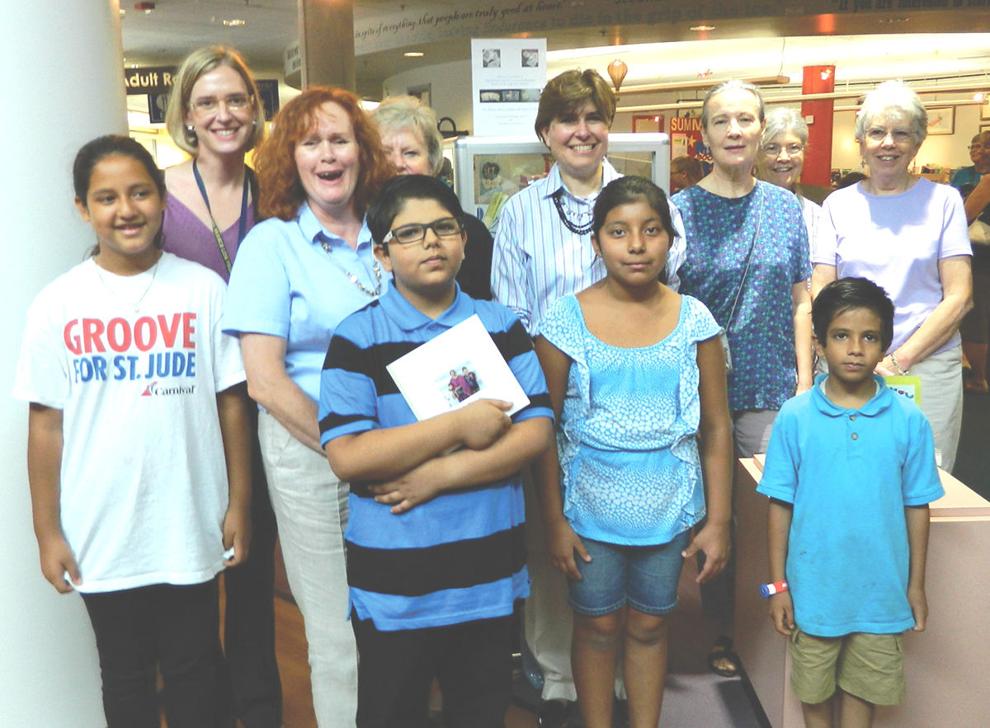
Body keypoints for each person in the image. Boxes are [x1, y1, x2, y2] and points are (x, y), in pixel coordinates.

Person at [14, 135, 251, 726]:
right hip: (101, 529)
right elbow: (45, 423)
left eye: (140, 192)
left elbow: (232, 405)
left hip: (189, 521)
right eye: (106, 197)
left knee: (197, 668)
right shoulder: (57, 304)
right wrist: (47, 531)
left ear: (162, 198)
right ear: (82, 208)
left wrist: (240, 502)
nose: (126, 209)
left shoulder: (203, 290)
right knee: (125, 677)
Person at [319, 174, 554, 727]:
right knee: (390, 713)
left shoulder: (499, 326)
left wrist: (436, 478)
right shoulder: (357, 338)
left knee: (480, 712)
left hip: (487, 576)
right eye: (411, 233)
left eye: (444, 228)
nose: (432, 242)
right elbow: (348, 455)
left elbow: (535, 431)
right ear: (381, 253)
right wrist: (460, 424)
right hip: (395, 583)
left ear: (465, 241)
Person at [491, 68, 685, 723]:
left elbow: (669, 294)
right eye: (567, 119)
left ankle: (627, 677)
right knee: (559, 545)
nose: (582, 131)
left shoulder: (647, 199)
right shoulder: (518, 210)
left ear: (609, 127)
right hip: (551, 399)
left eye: (593, 117)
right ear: (545, 133)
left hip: (636, 404)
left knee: (637, 552)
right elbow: (508, 313)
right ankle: (556, 675)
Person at [534, 176, 733, 728]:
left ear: (670, 239)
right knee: (596, 627)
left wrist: (718, 520)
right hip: (588, 508)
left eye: (651, 231)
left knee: (650, 625)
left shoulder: (695, 320)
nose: (637, 245)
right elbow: (540, 430)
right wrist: (553, 520)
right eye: (619, 232)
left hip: (668, 507)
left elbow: (716, 428)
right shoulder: (562, 321)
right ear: (596, 243)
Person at [222, 86, 392, 727]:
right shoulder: (272, 245)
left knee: (396, 617)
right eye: (311, 142)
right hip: (309, 452)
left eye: (340, 139)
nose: (328, 154)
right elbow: (264, 381)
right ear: (289, 158)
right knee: (335, 631)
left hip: (400, 451)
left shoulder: (391, 233)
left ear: (361, 152)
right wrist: (348, 449)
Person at [673, 79, 813, 678]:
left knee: (778, 513)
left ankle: (772, 618)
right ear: (703, 136)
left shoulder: (788, 208)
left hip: (773, 388)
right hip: (702, 396)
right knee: (713, 517)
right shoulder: (676, 212)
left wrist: (807, 385)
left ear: (761, 130)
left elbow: (803, 298)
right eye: (721, 121)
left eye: (746, 120)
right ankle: (721, 631)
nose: (735, 131)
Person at [757, 277, 943, 728]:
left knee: (864, 693)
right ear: (819, 343)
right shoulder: (795, 417)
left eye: (869, 337)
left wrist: (916, 586)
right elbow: (780, 505)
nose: (855, 348)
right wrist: (776, 587)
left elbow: (917, 507)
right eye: (842, 335)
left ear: (885, 344)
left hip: (881, 595)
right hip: (812, 592)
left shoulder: (909, 420)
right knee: (814, 693)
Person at [163, 44, 281, 727]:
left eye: (236, 99)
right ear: (186, 113)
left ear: (255, 109)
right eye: (207, 101)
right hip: (187, 407)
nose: (223, 113)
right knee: (188, 574)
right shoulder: (157, 191)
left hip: (265, 403)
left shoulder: (279, 190)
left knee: (251, 569)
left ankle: (259, 708)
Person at [813, 80, 972, 473]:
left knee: (926, 476)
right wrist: (848, 353)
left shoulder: (944, 201)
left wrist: (898, 361)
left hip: (928, 363)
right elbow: (823, 289)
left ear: (917, 143)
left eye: (901, 133)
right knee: (853, 473)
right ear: (861, 141)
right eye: (877, 132)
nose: (888, 143)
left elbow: (960, 296)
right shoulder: (838, 205)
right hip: (850, 363)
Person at [372, 95, 494, 299]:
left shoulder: (471, 234)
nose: (397, 164)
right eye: (384, 153)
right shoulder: (355, 234)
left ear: (432, 162)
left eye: (410, 153)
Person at [756, 107, 833, 266]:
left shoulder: (819, 217)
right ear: (755, 154)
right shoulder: (738, 212)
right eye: (772, 148)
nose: (784, 157)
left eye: (794, 148)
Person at [951, 131, 990, 392]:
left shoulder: (987, 181)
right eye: (974, 144)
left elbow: (962, 215)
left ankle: (978, 377)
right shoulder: (962, 174)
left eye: (984, 146)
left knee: (976, 315)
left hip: (982, 257)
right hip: (969, 251)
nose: (977, 150)